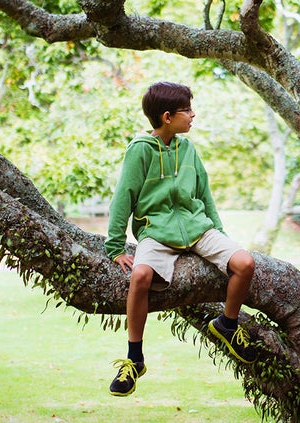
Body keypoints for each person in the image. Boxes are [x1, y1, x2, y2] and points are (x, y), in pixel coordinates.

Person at [104, 81, 258, 397]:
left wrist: (220, 235)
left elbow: (204, 194)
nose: (192, 115)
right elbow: (124, 197)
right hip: (156, 232)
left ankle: (227, 325)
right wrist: (116, 246)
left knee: (245, 262)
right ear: (167, 116)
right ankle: (135, 358)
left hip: (198, 228)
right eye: (187, 109)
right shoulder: (140, 151)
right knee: (141, 275)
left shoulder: (187, 149)